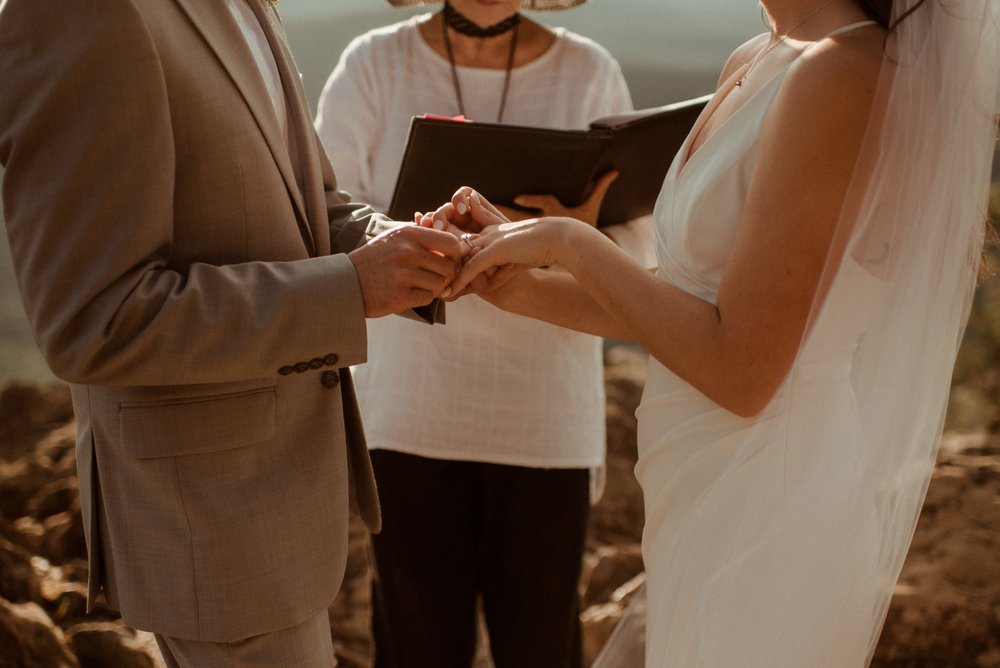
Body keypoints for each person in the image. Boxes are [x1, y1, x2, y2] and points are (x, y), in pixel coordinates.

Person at [434, 0, 1000, 664]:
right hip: (697, 488)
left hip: (773, 499)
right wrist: (518, 284)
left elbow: (744, 373)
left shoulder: (840, 74)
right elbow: (687, 299)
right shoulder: (757, 57)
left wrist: (566, 241)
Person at [0, 0, 467, 666]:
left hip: (297, 503)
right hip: (212, 529)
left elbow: (307, 203)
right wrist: (351, 288)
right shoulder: (80, 12)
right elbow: (95, 318)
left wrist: (397, 244)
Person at [314, 1, 650, 665]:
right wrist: (409, 240)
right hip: (407, 415)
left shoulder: (589, 72)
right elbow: (319, 222)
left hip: (544, 419)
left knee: (541, 645)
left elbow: (639, 257)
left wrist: (572, 237)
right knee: (416, 647)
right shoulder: (373, 64)